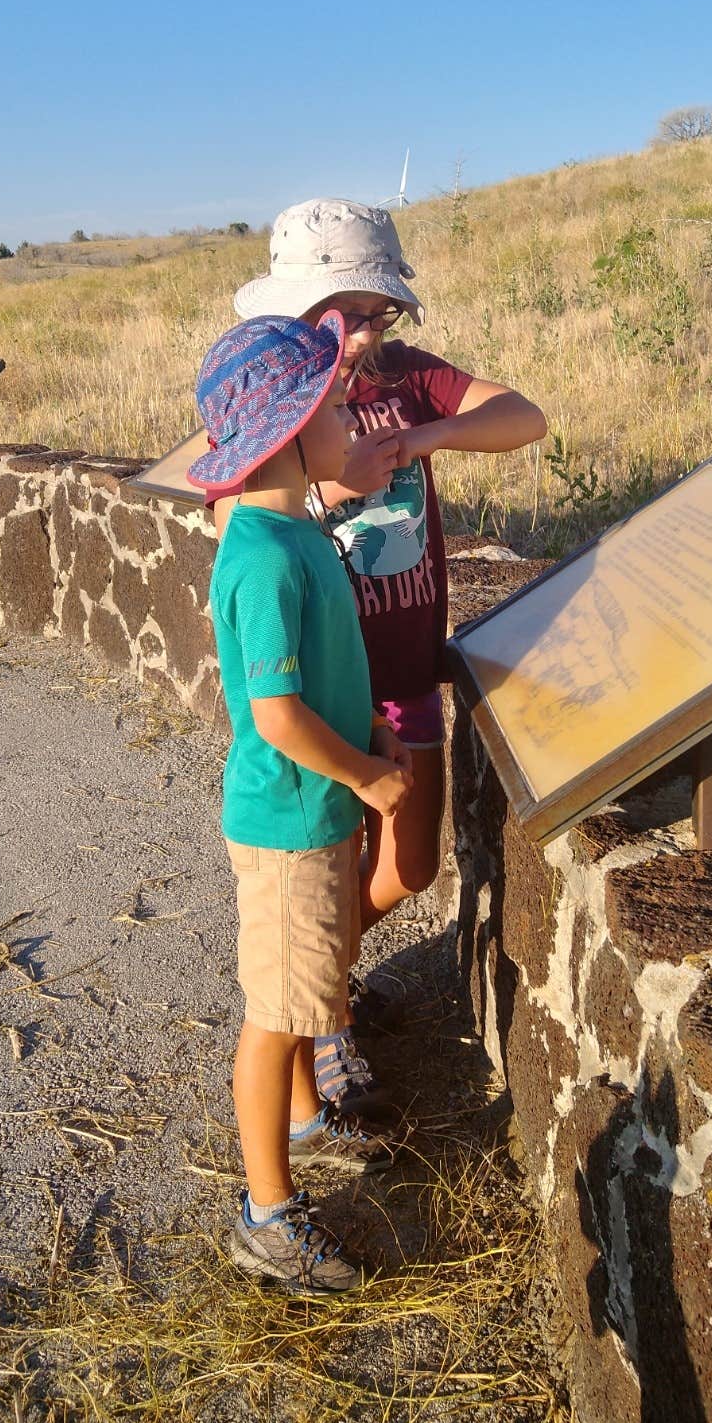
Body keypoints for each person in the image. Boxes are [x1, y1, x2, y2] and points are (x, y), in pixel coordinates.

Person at [220, 199, 547, 1114]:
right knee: (324, 857)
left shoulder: (410, 377)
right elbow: (228, 509)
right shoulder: (276, 384)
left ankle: (316, 975)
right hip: (325, 685)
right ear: (297, 306)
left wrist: (433, 434)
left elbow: (525, 418)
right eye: (347, 314)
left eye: (379, 314)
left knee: (408, 864)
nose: (365, 336)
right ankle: (319, 1020)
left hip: (404, 670)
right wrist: (336, 478)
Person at [188, 310, 414, 1295]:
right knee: (274, 1015)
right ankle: (268, 1216)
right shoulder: (268, 557)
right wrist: (366, 777)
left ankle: (307, 1121)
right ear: (288, 433)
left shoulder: (295, 528)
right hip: (289, 815)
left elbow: (319, 679)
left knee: (303, 986)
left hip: (310, 806)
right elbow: (277, 715)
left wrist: (367, 739)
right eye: (334, 407)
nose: (352, 417)